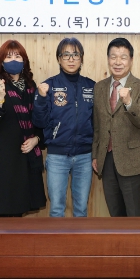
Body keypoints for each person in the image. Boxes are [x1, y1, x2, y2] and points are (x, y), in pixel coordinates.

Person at [0, 40, 46, 217]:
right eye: (9, 57)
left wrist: (36, 139)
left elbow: (40, 119)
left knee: (20, 211)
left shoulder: (31, 86)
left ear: (24, 60)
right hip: (3, 161)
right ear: (1, 61)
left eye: (17, 56)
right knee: (3, 213)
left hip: (25, 158)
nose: (14, 60)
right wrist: (0, 98)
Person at [33, 37, 95, 217]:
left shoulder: (91, 86)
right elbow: (39, 122)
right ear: (59, 59)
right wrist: (41, 98)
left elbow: (98, 122)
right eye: (66, 55)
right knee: (56, 209)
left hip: (84, 156)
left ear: (81, 58)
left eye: (75, 54)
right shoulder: (49, 86)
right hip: (57, 156)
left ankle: (80, 238)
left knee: (81, 209)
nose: (71, 59)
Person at [92, 38, 140, 217]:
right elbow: (97, 125)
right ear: (108, 59)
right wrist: (95, 154)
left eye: (123, 57)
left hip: (133, 161)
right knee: (115, 214)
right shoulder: (99, 87)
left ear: (131, 60)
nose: (118, 62)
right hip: (106, 160)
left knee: (135, 215)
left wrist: (129, 103)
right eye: (113, 57)